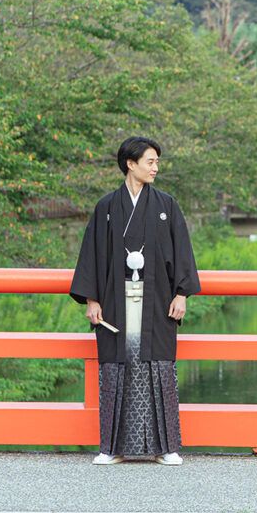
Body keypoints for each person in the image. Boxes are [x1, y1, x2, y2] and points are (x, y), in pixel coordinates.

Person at [70, 136, 200, 465]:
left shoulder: (166, 206)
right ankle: (112, 448)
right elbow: (92, 255)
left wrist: (181, 293)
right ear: (131, 164)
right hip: (116, 299)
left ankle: (165, 447)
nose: (156, 168)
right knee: (117, 368)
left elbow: (182, 251)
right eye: (150, 162)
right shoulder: (107, 208)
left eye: (157, 162)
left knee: (159, 367)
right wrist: (92, 299)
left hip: (157, 299)